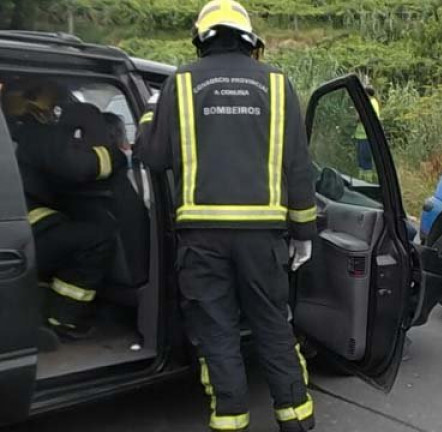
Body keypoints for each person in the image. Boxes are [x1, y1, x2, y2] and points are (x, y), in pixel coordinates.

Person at [136, 1, 317, 430]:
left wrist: (149, 112)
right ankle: (296, 419)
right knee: (274, 327)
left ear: (202, 39)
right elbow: (298, 164)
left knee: (217, 335)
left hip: (202, 239)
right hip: (265, 239)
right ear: (249, 40)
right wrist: (303, 231)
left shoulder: (179, 83)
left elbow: (154, 156)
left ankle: (231, 420)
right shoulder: (277, 83)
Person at [3, 80, 123, 338]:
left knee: (61, 228)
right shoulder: (33, 132)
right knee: (96, 239)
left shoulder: (12, 133)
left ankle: (37, 307)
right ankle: (63, 317)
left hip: (16, 223)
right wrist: (113, 154)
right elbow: (81, 167)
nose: (55, 111)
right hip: (21, 227)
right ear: (33, 101)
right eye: (53, 104)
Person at [353, 84, 380, 181]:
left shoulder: (371, 103)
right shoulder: (371, 102)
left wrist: (358, 116)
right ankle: (361, 178)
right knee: (361, 158)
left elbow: (362, 117)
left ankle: (367, 180)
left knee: (365, 158)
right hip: (361, 135)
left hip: (366, 135)